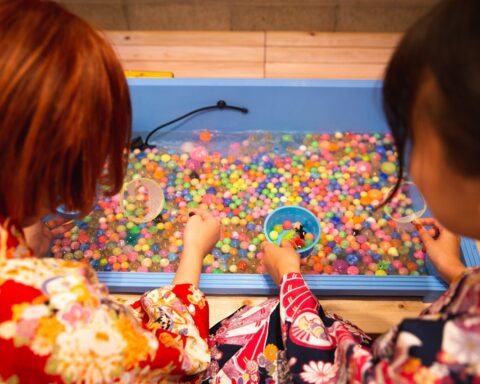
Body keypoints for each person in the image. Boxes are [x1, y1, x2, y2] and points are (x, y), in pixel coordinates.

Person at [203, 0, 480, 382]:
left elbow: (317, 374)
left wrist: (289, 277)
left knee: (247, 334)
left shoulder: (438, 364)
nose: (408, 160)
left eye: (415, 140)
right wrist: (458, 273)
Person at [0, 1, 220, 383]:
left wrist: (20, 244)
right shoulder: (61, 308)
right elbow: (183, 359)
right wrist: (194, 254)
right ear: (57, 162)